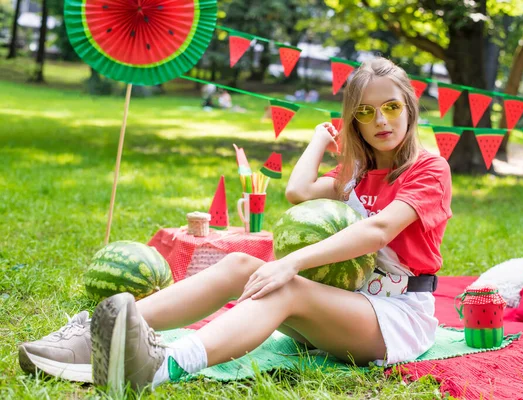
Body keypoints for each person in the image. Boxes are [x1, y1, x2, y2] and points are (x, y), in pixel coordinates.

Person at [18, 57, 452, 392]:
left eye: (391, 107)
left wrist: (291, 263)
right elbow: (298, 191)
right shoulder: (357, 175)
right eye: (365, 112)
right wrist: (321, 137)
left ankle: (160, 367)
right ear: (352, 119)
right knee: (240, 266)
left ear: (410, 109)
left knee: (285, 285)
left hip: (396, 317)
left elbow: (377, 232)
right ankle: (91, 332)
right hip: (343, 305)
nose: (380, 120)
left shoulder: (429, 169)